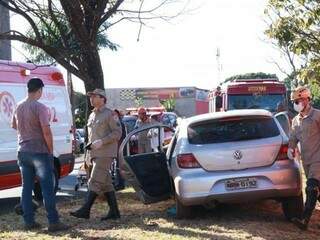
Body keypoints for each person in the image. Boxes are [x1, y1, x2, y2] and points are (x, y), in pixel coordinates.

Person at [11, 78, 69, 232]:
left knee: (26, 187)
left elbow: (13, 125)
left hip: (23, 151)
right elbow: (46, 131)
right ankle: (54, 222)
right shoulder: (40, 107)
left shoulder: (18, 106)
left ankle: (28, 221)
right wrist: (50, 151)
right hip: (39, 151)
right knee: (47, 188)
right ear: (39, 90)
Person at [70, 89, 122, 221]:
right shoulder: (92, 115)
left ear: (102, 98)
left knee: (94, 181)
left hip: (105, 153)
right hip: (94, 153)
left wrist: (102, 141)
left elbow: (117, 133)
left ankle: (85, 210)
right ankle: (114, 212)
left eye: (94, 96)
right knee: (106, 184)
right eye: (90, 97)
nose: (91, 99)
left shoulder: (110, 114)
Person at [288, 86, 320, 230]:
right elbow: (293, 138)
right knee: (317, 192)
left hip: (318, 158)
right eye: (295, 101)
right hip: (306, 161)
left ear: (307, 99)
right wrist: (291, 147)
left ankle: (304, 219)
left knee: (311, 188)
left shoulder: (317, 116)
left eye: (298, 100)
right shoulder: (296, 121)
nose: (296, 103)